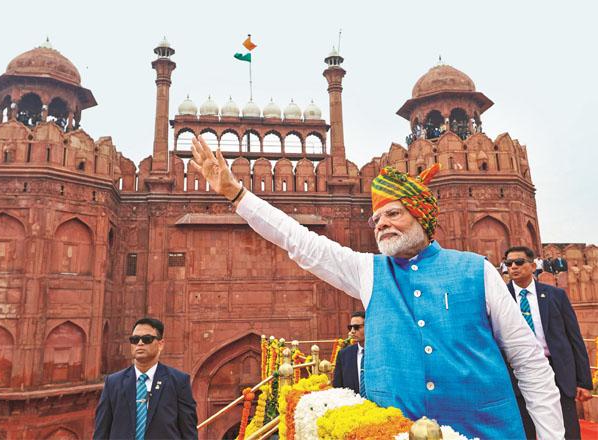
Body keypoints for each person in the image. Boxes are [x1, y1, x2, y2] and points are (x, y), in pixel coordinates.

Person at [189, 135, 563, 439]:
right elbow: (299, 241)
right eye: (377, 218)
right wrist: (236, 194)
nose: (381, 224)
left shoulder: (475, 271)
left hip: (484, 432)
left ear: (422, 216)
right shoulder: (369, 272)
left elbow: (529, 362)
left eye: (393, 213)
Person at [504, 246, 593, 439]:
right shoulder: (501, 298)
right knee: (524, 428)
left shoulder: (555, 295)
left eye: (519, 262)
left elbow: (574, 338)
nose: (513, 267)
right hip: (517, 370)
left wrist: (583, 381)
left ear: (533, 264)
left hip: (556, 369)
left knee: (566, 429)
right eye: (508, 263)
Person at [94, 317, 197, 440]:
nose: (140, 343)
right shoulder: (114, 383)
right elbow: (101, 431)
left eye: (147, 339)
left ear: (160, 344)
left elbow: (188, 432)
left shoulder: (178, 382)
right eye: (135, 339)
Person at [332, 311, 365, 395]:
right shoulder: (344, 355)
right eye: (350, 327)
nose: (352, 331)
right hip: (352, 406)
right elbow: (337, 387)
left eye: (356, 327)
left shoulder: (381, 354)